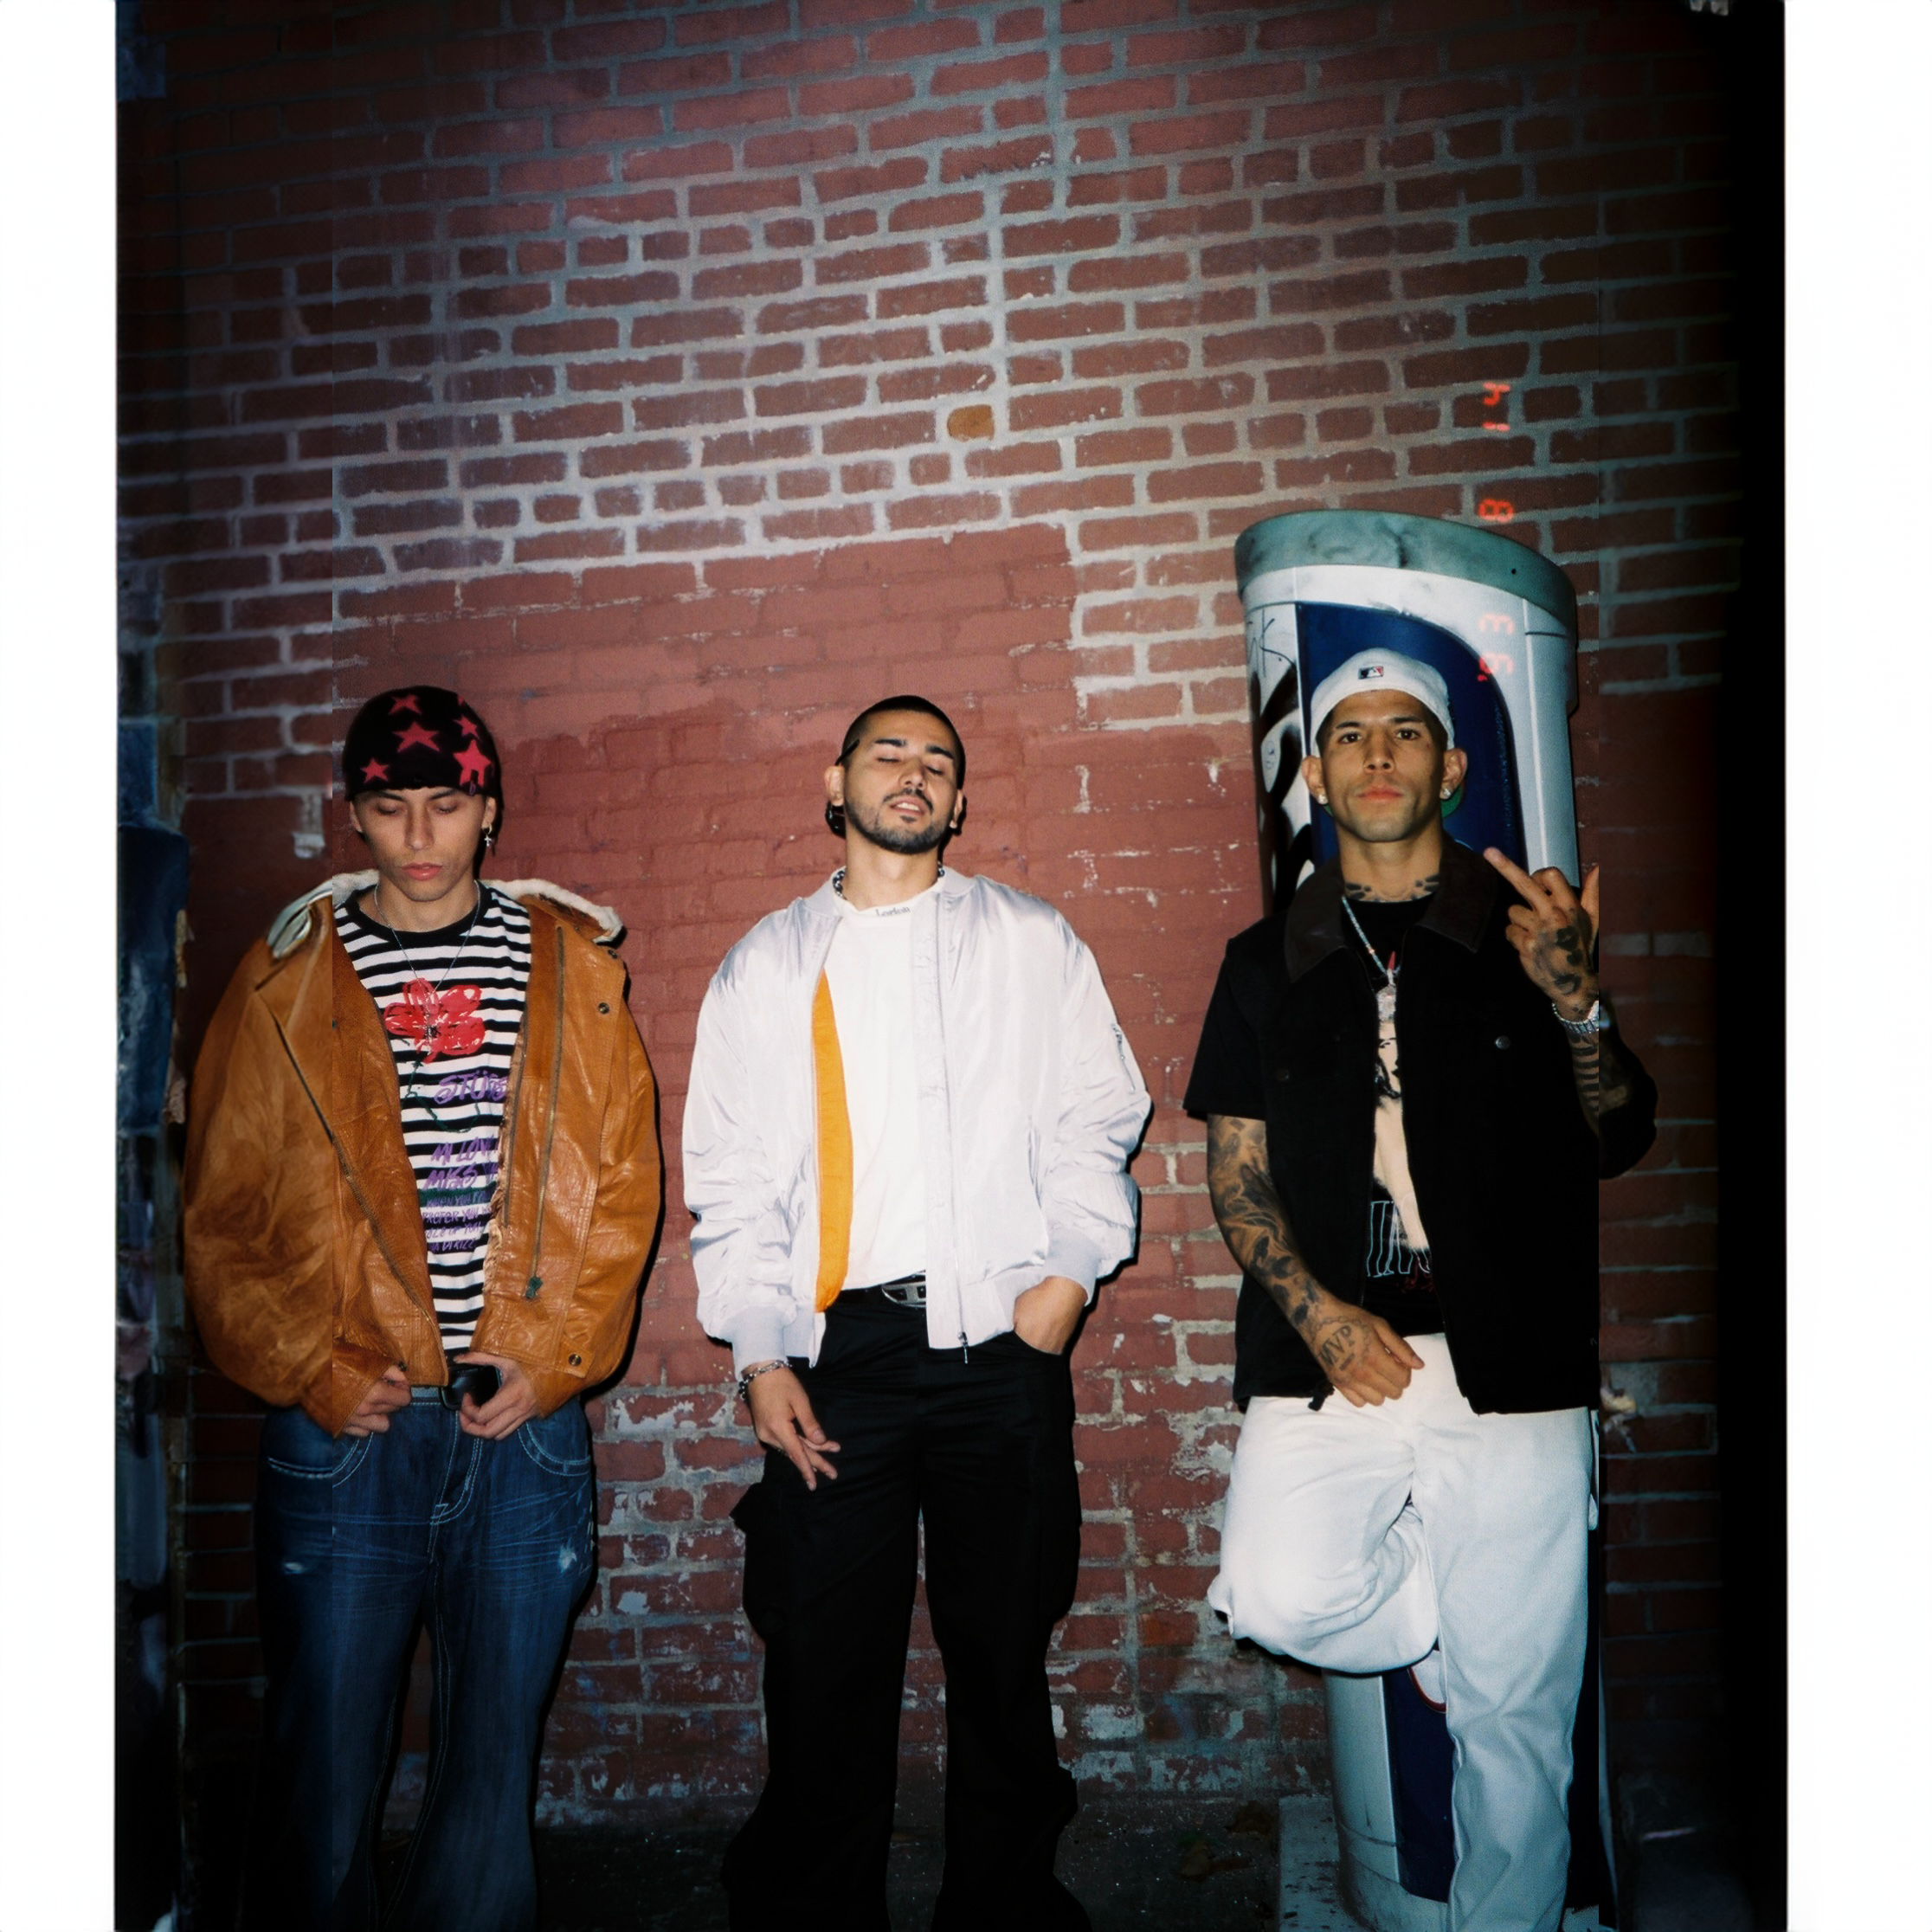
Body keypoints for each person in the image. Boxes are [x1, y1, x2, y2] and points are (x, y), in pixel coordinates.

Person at [1183, 650, 1656, 1932]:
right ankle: (1454, 1612)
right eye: (1349, 733)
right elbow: (1238, 1175)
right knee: (1275, 1592)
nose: (1378, 753)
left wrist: (1577, 1003)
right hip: (1336, 1355)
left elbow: (1616, 1132)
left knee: (1517, 1714)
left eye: (1405, 732)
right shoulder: (1264, 960)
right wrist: (1324, 1317)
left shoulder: (1525, 936)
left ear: (1449, 767)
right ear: (1316, 771)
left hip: (1512, 1356)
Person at [183, 685, 661, 1932]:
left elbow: (623, 1187)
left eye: (446, 805)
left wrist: (558, 1358)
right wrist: (310, 1365)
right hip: (347, 1427)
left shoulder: (571, 967)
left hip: (522, 1426)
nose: (418, 835)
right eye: (390, 806)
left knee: (492, 1769)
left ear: (488, 811)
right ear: (354, 814)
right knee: (322, 1767)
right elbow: (222, 1213)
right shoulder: (285, 978)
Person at [683, 696, 1149, 1932]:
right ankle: (815, 1910)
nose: (914, 772)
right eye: (887, 753)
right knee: (824, 1654)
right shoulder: (769, 963)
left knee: (1003, 1651)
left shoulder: (1030, 940)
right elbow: (731, 1174)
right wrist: (760, 1354)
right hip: (841, 1353)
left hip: (1004, 1340)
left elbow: (1097, 1113)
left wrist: (1069, 1278)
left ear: (960, 801)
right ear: (834, 783)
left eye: (938, 761)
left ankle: (1004, 1908)